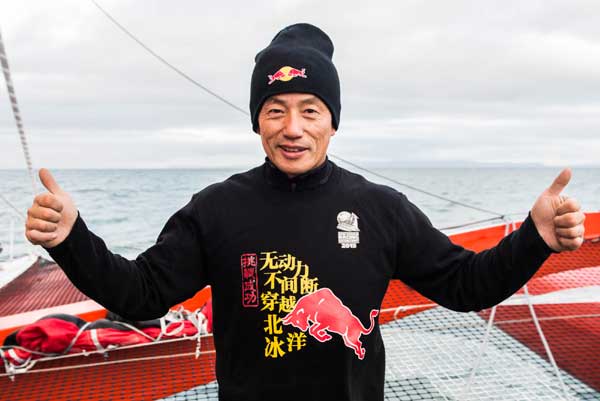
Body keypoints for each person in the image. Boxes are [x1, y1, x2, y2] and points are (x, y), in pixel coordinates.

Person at [25, 23, 585, 401]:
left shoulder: (380, 209)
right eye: (276, 109)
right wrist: (70, 236)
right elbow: (140, 294)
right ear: (257, 120)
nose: (293, 128)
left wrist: (534, 237)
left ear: (332, 121)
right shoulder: (217, 209)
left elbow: (467, 286)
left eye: (310, 110)